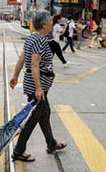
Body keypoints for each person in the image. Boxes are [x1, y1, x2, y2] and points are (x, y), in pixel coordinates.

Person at [9, 10, 67, 162]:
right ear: (44, 24)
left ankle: (51, 143)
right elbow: (34, 64)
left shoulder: (32, 38)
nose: (52, 23)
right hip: (37, 86)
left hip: (36, 84)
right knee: (35, 118)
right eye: (50, 20)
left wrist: (15, 76)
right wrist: (38, 88)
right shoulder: (39, 40)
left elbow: (22, 58)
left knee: (44, 114)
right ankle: (18, 151)